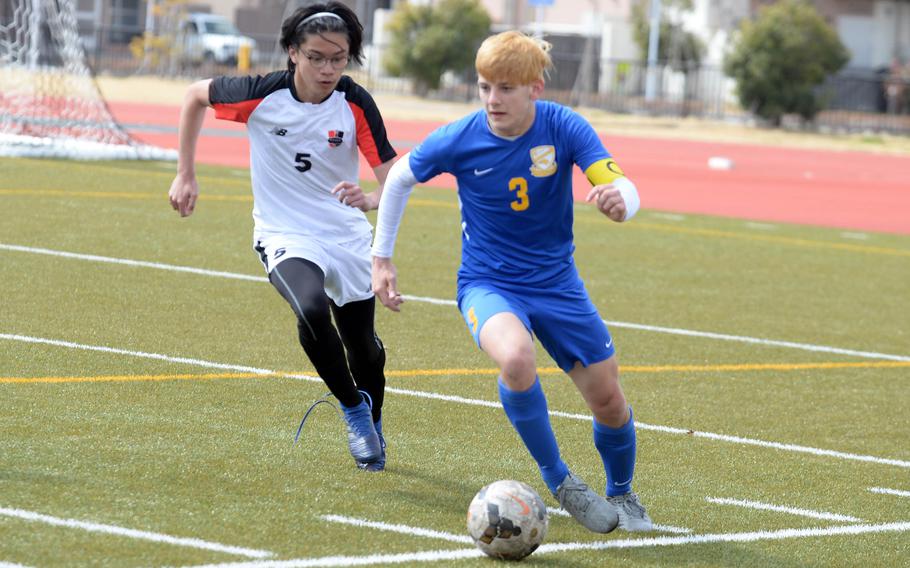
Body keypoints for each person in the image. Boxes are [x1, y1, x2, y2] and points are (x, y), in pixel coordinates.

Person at [371, 31, 652, 532]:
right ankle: (562, 481)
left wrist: (620, 203)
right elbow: (398, 180)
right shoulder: (460, 137)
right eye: (483, 87)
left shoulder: (564, 126)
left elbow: (618, 181)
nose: (492, 100)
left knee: (608, 399)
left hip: (558, 284)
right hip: (487, 283)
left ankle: (623, 494)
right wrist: (381, 260)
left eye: (505, 88)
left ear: (534, 88)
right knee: (517, 359)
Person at [168, 2, 396, 472]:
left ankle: (372, 418)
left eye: (339, 57)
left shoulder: (355, 104)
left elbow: (393, 175)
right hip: (284, 233)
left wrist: (372, 198)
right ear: (293, 53)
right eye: (316, 56)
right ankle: (353, 410)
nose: (329, 68)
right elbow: (194, 96)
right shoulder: (260, 94)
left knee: (364, 349)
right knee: (310, 308)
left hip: (347, 235)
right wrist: (185, 174)